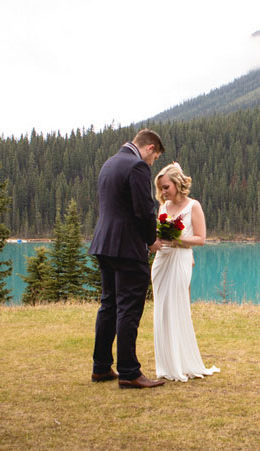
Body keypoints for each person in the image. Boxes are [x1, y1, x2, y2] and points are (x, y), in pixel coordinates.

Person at [88, 128, 166, 389]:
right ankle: (129, 372)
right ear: (150, 149)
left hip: (104, 244)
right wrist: (151, 240)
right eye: (154, 159)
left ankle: (100, 367)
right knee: (129, 307)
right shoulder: (137, 166)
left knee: (109, 304)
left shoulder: (109, 163)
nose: (151, 164)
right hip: (127, 247)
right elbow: (144, 211)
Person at [151, 163, 220, 381]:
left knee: (178, 308)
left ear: (177, 184)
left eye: (166, 187)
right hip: (162, 260)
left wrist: (179, 240)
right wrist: (156, 240)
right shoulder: (163, 208)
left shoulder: (193, 206)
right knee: (161, 311)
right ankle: (166, 365)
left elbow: (200, 239)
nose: (163, 192)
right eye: (161, 188)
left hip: (180, 259)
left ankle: (181, 363)